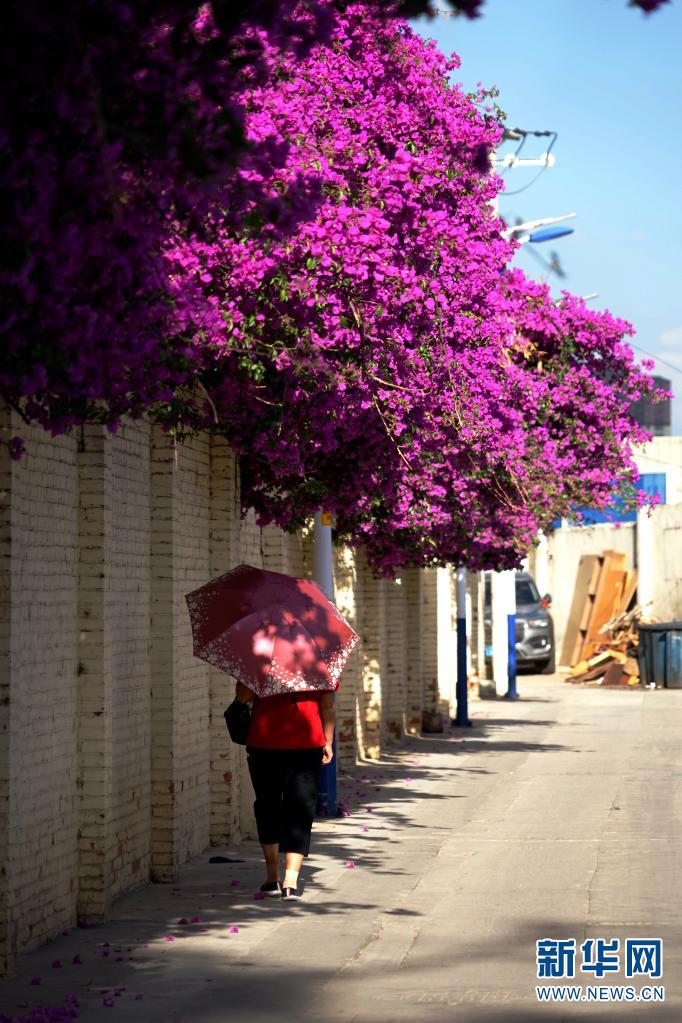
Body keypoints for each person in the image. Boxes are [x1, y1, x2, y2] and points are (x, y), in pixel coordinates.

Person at [235, 681, 335, 901]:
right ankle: (291, 882)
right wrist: (328, 741)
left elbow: (241, 698)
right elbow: (327, 706)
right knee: (300, 810)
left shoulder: (260, 657)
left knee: (267, 806)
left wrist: (255, 676)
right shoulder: (317, 660)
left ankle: (272, 878)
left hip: (264, 742)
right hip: (306, 743)